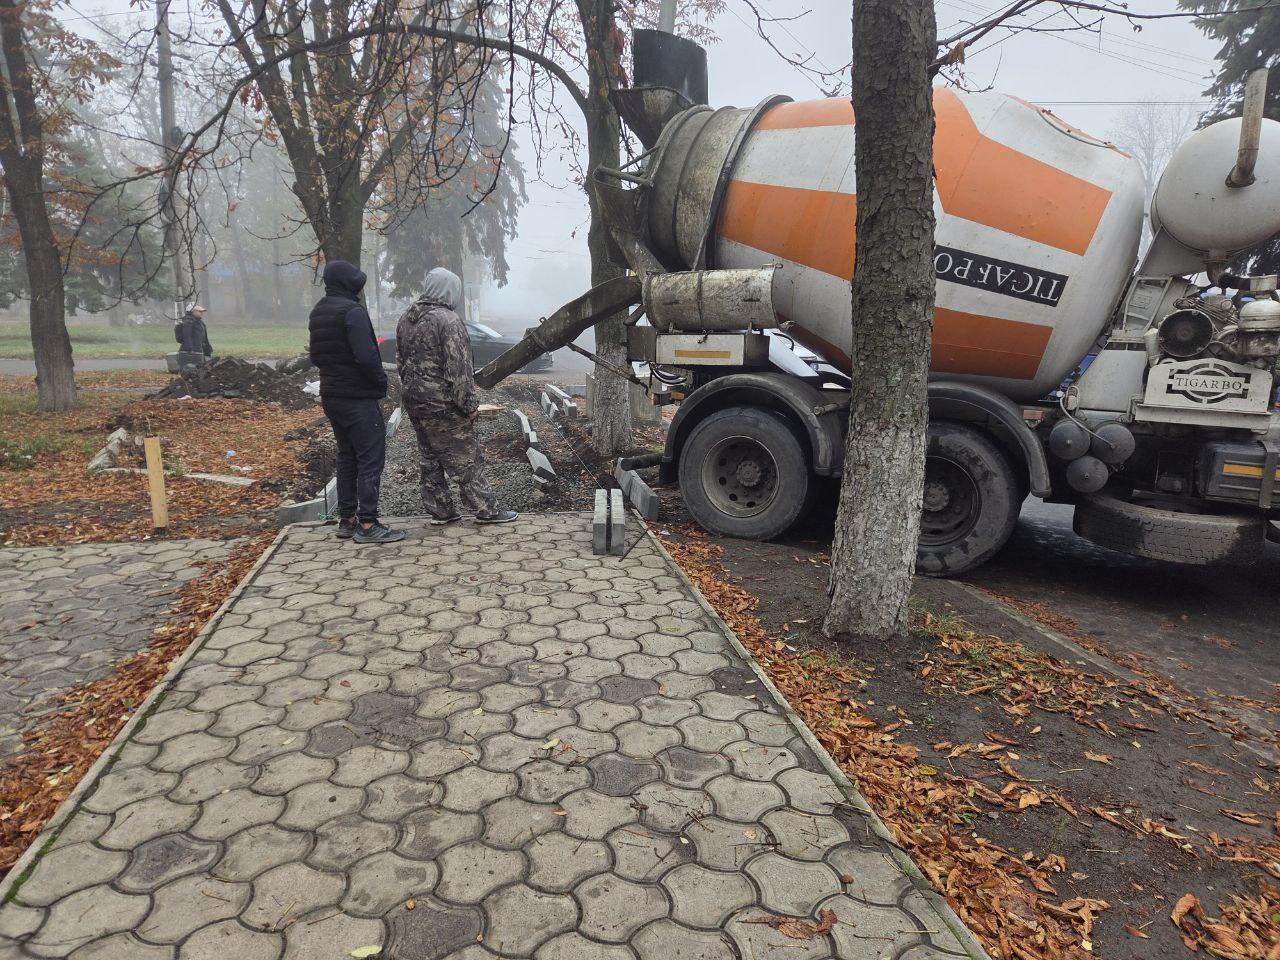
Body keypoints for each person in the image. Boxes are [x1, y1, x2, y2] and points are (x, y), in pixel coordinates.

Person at [396, 267, 517, 526]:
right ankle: (486, 510)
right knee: (466, 457)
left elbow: (401, 361)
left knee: (429, 458)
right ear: (450, 290)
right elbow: (459, 370)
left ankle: (441, 511)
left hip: (415, 401)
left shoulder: (407, 318)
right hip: (444, 403)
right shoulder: (448, 320)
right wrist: (469, 405)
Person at [308, 260, 404, 544]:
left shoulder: (319, 312)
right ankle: (368, 523)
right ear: (349, 285)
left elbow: (316, 356)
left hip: (331, 396)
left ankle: (347, 519)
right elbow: (366, 356)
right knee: (370, 458)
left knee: (347, 456)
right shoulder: (353, 312)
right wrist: (379, 383)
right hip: (358, 398)